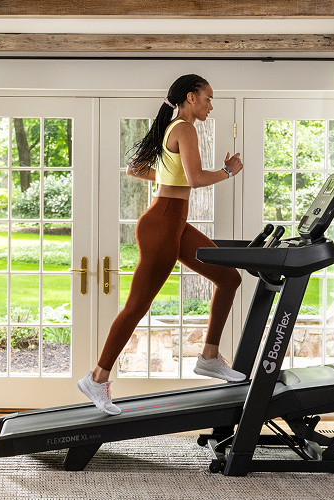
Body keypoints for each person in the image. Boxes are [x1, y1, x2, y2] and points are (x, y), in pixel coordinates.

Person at [78, 74, 246, 415]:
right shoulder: (184, 128)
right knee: (136, 306)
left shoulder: (171, 127)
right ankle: (96, 378)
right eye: (208, 98)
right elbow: (197, 179)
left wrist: (172, 177)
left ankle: (209, 357)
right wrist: (228, 171)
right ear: (191, 97)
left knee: (229, 278)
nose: (211, 105)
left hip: (174, 223)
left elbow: (136, 169)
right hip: (162, 225)